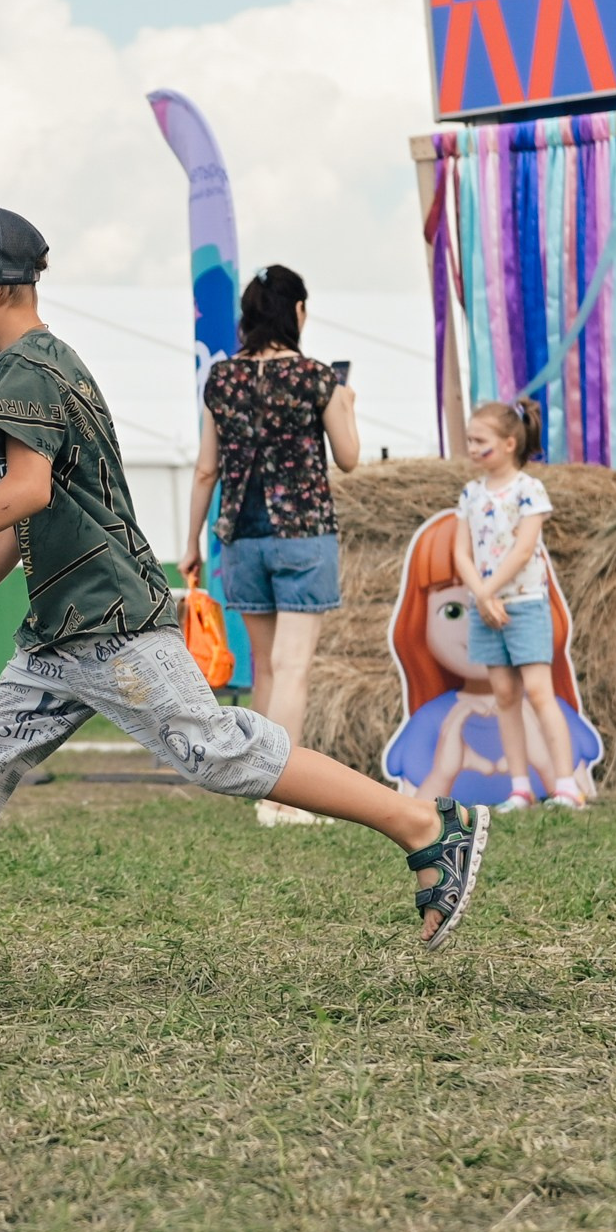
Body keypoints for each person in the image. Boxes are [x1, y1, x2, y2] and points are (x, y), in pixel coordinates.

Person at [0, 207, 489, 1017]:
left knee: (219, 748)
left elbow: (26, 490)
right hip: (61, 628)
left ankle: (422, 821)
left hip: (111, 621)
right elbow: (39, 512)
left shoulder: (26, 373)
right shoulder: (52, 364)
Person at [180, 265, 356, 827]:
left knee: (267, 668)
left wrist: (192, 543)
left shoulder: (222, 378)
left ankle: (260, 786)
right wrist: (346, 404)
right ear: (297, 312)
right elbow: (349, 458)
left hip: (241, 539)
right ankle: (283, 799)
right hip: (303, 535)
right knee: (293, 667)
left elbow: (207, 470)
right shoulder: (316, 377)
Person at [383, 511, 601, 806]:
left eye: (505, 599)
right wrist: (443, 771)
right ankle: (519, 790)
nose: (478, 620)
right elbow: (411, 806)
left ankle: (524, 790)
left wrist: (544, 761)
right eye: (453, 611)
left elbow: (583, 788)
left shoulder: (548, 710)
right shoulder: (432, 719)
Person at [450, 400, 583, 810]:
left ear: (510, 443)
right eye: (470, 440)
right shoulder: (470, 493)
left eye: (481, 442)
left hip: (523, 604)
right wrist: (482, 596)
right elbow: (460, 553)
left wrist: (487, 592)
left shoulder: (529, 490)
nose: (473, 448)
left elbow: (525, 549)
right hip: (486, 608)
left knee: (540, 692)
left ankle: (566, 785)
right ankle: (520, 786)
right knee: (505, 695)